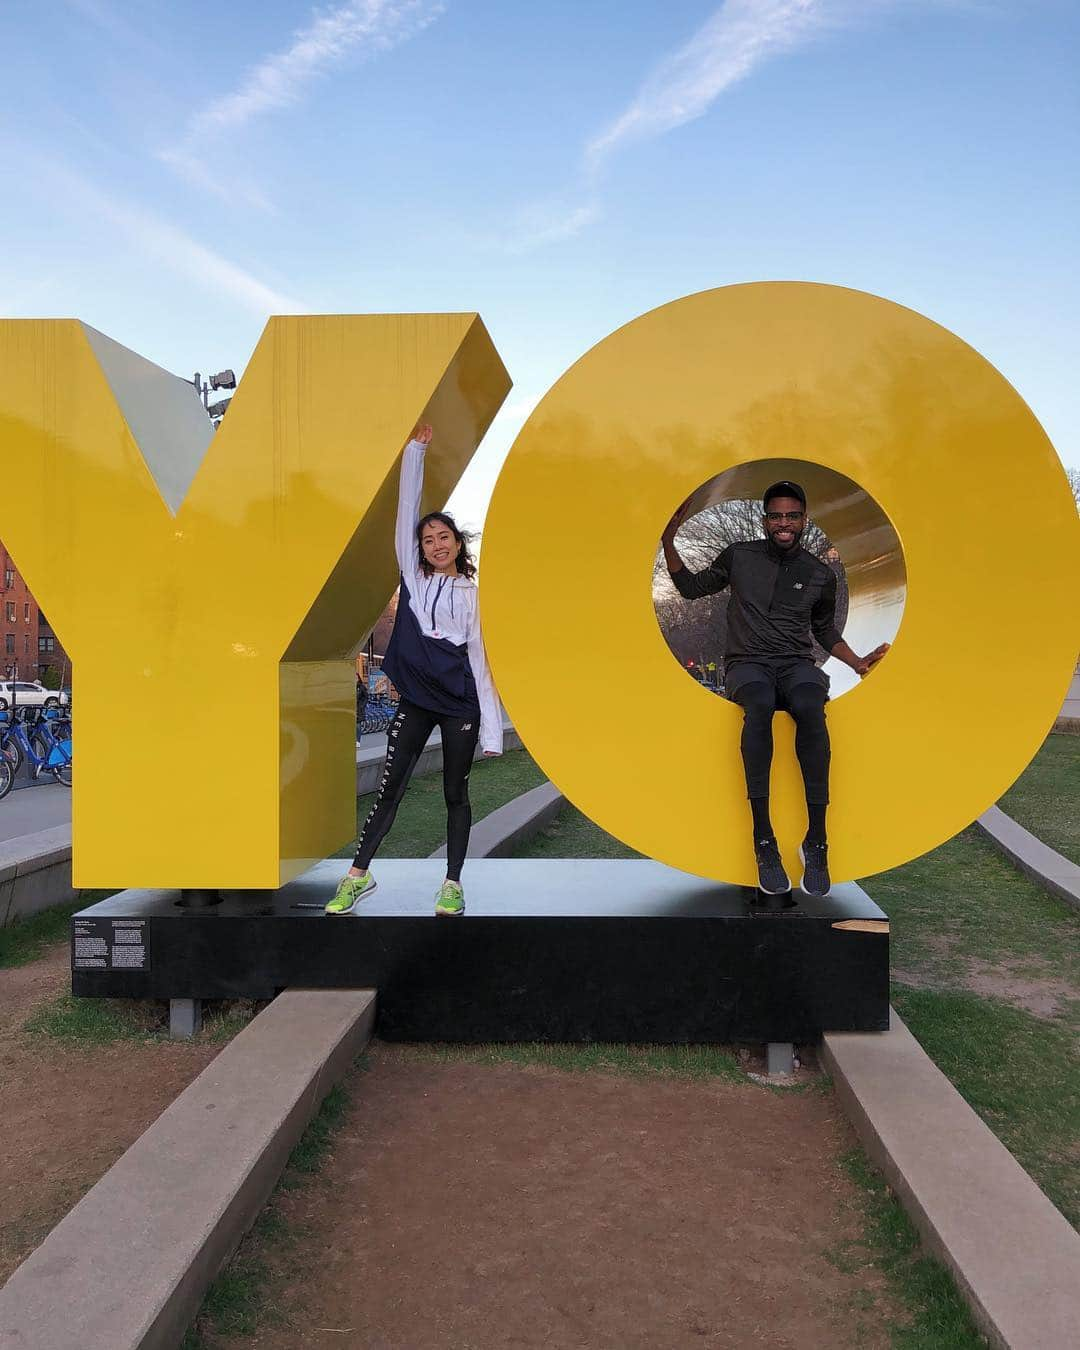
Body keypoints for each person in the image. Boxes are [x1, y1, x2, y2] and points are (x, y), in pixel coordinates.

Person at [661, 481, 888, 897]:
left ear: (803, 520)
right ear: (766, 520)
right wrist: (669, 541)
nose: (784, 523)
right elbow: (692, 589)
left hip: (795, 664)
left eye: (792, 515)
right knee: (760, 705)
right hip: (747, 664)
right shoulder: (739, 556)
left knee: (809, 704)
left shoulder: (819, 574)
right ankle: (763, 839)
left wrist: (856, 663)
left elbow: (823, 630)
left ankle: (816, 841)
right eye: (776, 516)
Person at [326, 425, 502, 917]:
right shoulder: (412, 575)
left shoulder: (471, 595)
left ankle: (452, 883)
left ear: (457, 544)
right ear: (419, 548)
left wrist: (491, 731)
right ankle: (358, 876)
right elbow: (406, 512)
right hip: (417, 702)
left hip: (460, 706)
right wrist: (416, 452)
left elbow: (481, 666)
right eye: (428, 540)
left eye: (444, 537)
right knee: (390, 788)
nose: (436, 545)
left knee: (454, 791)